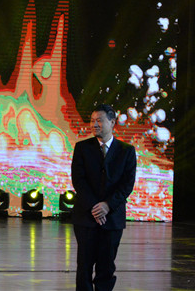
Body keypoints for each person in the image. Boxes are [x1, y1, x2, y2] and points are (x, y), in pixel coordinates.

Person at [71, 103, 136, 291]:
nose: (94, 124)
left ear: (112, 122)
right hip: (86, 217)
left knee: (106, 266)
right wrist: (95, 207)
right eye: (92, 121)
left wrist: (107, 206)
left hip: (112, 218)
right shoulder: (82, 148)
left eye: (99, 120)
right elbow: (79, 181)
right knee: (84, 266)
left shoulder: (126, 151)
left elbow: (127, 185)